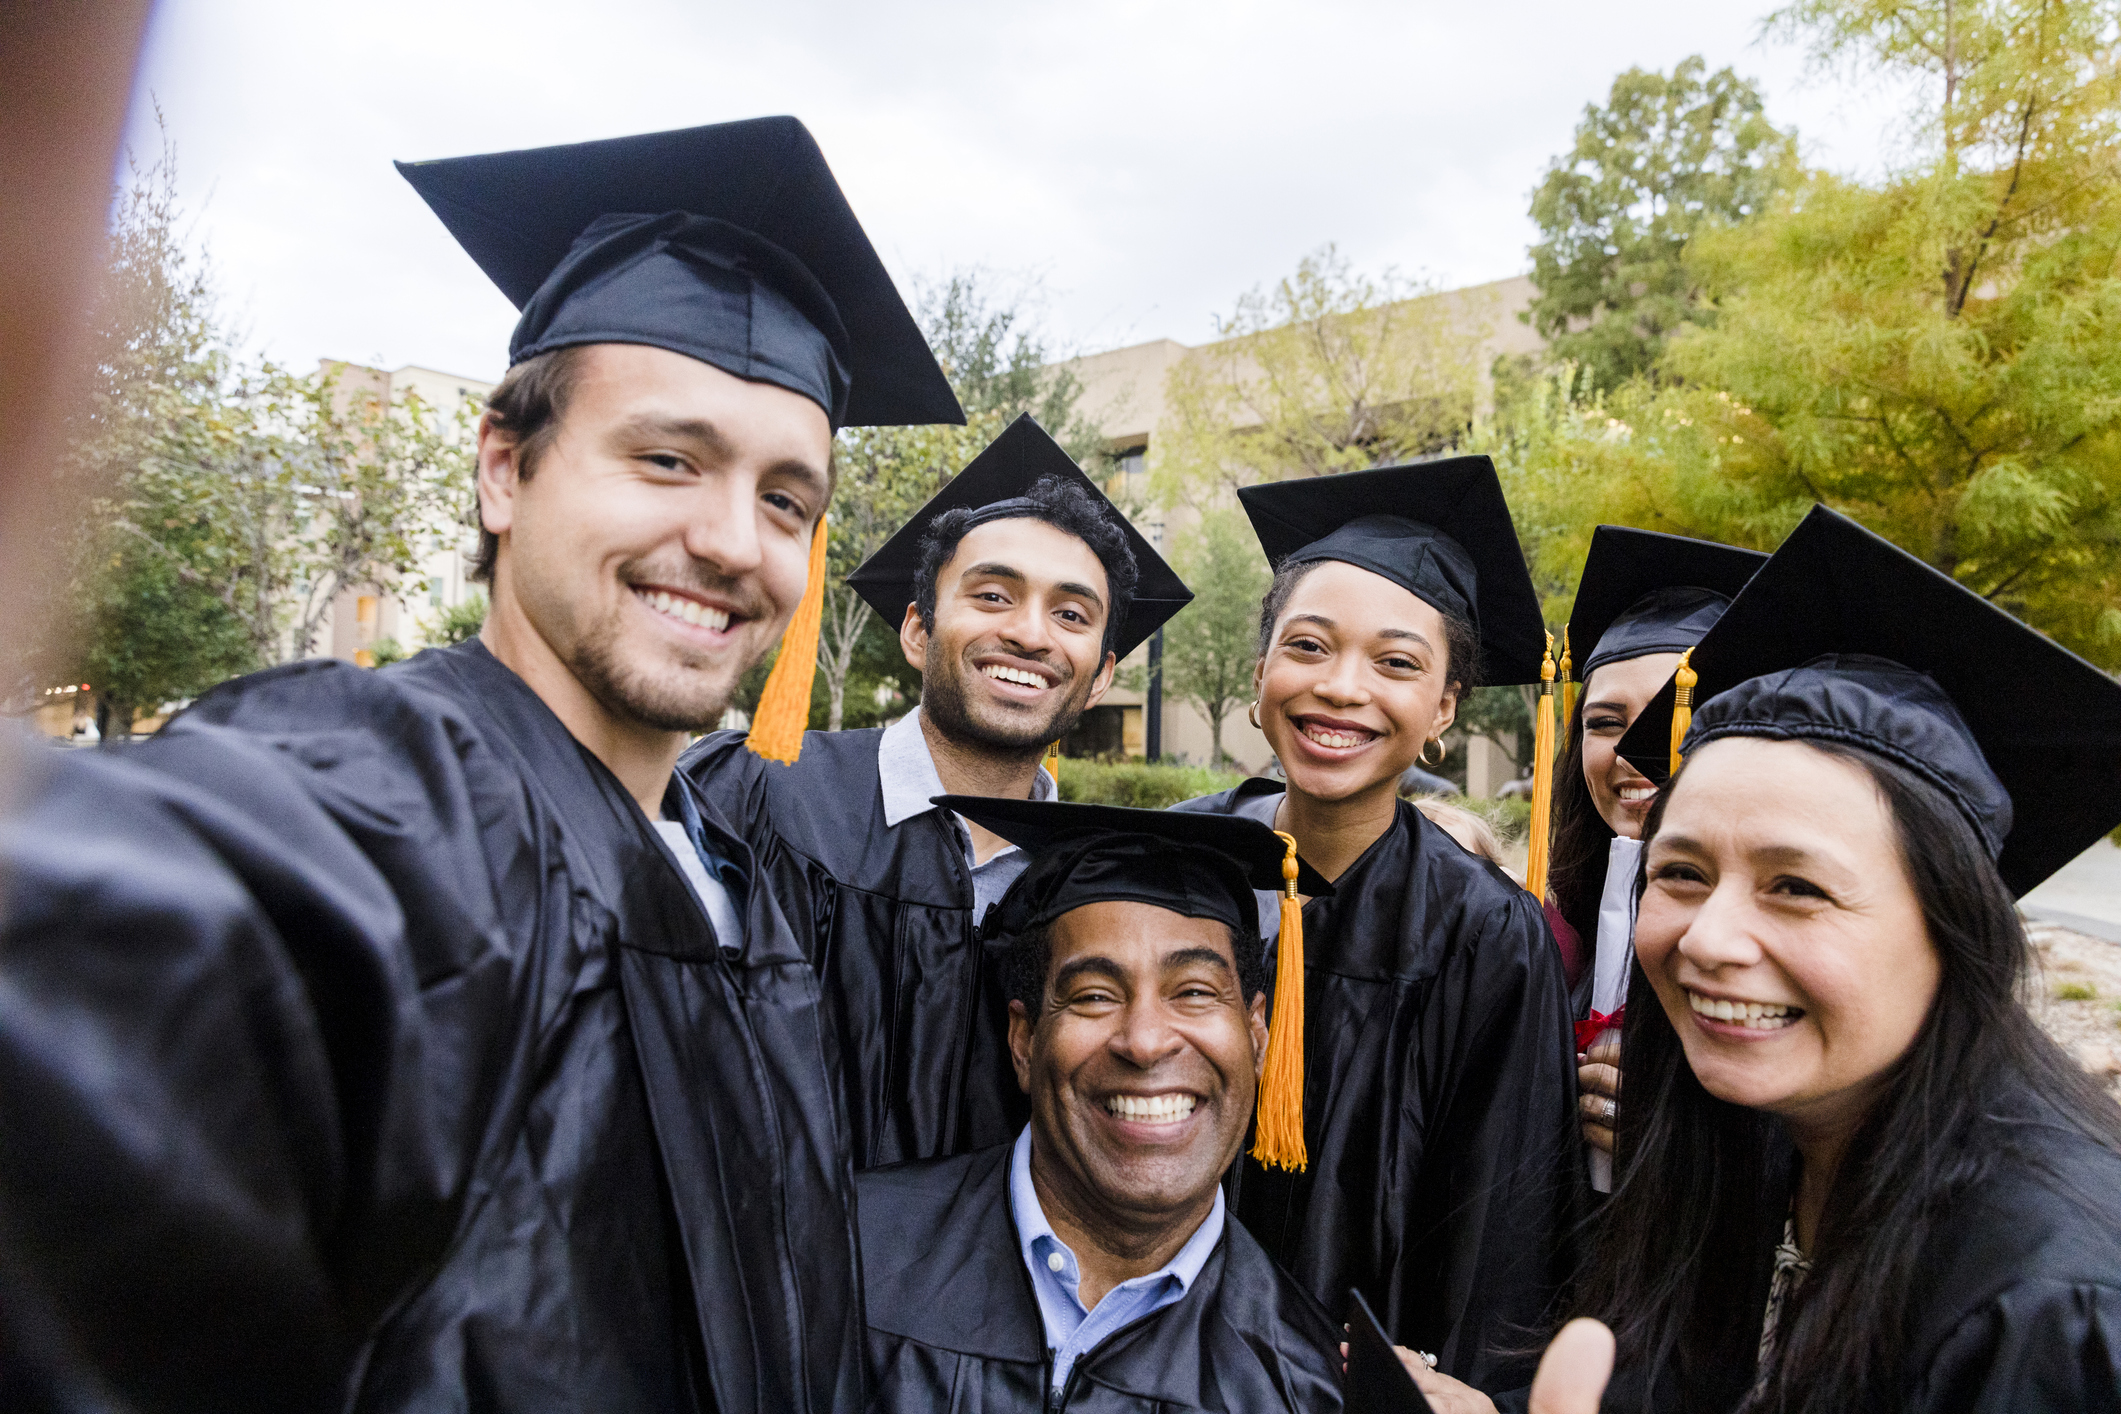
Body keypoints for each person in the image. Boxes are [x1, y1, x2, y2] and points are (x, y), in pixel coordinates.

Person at [0, 118, 965, 1412]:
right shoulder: (392, 804)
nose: (736, 541)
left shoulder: (735, 873)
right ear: (505, 469)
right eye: (668, 458)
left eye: (786, 498)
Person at [1409, 504, 2121, 1412]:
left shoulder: (2050, 1307)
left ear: (1952, 925)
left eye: (1796, 887)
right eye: (1681, 872)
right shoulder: (1758, 1153)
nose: (1707, 938)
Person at [684, 413, 1191, 1168]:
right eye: (991, 595)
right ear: (918, 631)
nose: (1030, 633)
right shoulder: (757, 799)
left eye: (1071, 614)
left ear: (1102, 676)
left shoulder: (1097, 890)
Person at [1173, 456, 1581, 1389]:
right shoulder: (1171, 861)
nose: (1341, 687)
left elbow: (1502, 1234)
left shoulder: (1486, 934)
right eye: (1308, 647)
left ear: (1442, 708)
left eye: (1396, 663)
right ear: (1261, 670)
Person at [856, 797, 1343, 1412]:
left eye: (1193, 992)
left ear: (1258, 1038)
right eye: (1093, 995)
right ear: (1025, 1041)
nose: (1144, 1042)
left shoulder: (1305, 1385)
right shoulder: (842, 1259)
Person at [1547, 527, 1765, 1188]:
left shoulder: (1767, 945)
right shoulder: (1551, 928)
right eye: (1605, 723)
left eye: (1674, 720)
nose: (1634, 754)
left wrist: (1672, 1139)